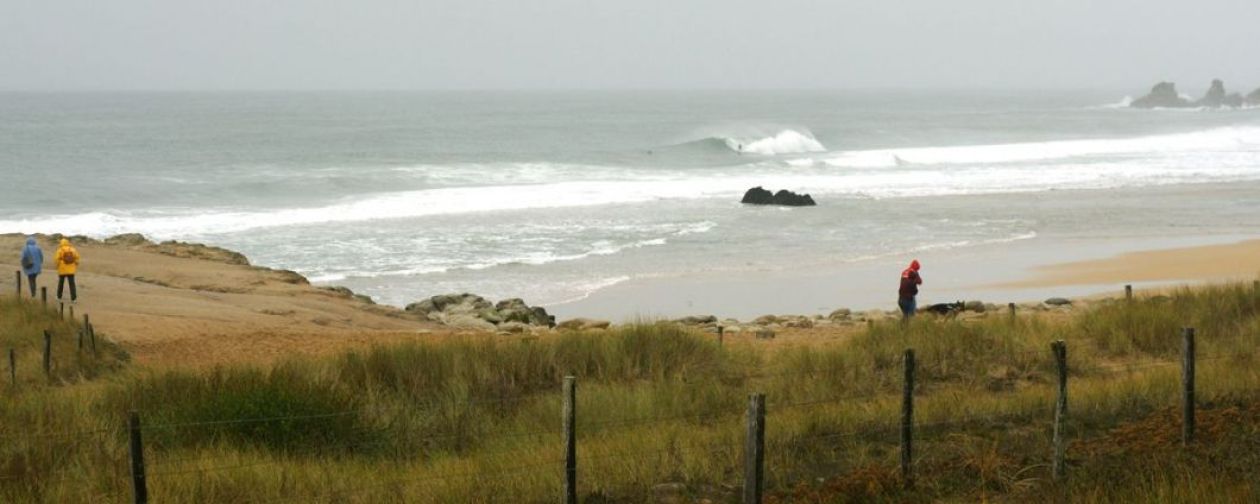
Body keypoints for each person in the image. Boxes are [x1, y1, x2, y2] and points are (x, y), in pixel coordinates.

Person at [54, 238, 80, 304]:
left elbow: (56, 260)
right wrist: (75, 265)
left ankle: (59, 296)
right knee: (72, 284)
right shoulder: (72, 249)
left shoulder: (59, 250)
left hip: (62, 269)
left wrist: (57, 266)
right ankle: (74, 299)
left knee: (61, 283)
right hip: (71, 270)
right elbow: (77, 258)